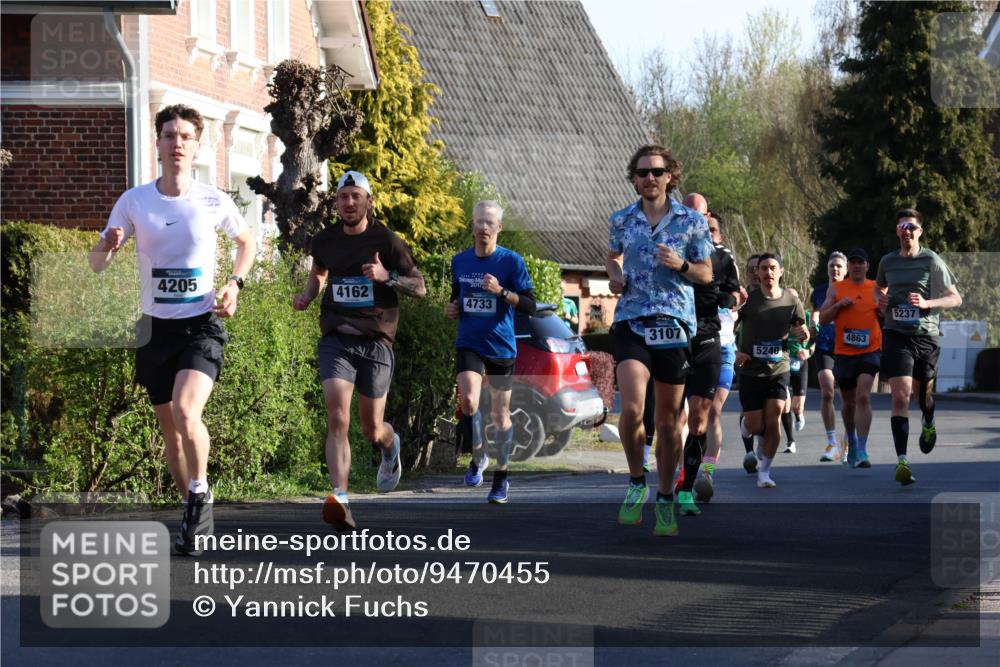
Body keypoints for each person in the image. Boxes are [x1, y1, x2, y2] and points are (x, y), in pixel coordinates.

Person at [90, 104, 257, 556]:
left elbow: (247, 242)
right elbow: (97, 265)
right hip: (154, 330)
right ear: (159, 144)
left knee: (187, 412)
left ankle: (200, 492)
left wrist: (235, 283)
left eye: (185, 135)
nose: (177, 143)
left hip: (201, 324)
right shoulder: (134, 201)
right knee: (171, 432)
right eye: (169, 135)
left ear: (197, 145)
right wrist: (107, 245)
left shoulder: (212, 199)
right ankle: (192, 509)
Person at [293, 170, 427, 531]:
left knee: (371, 428)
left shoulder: (387, 240)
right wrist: (309, 294)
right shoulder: (325, 241)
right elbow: (319, 272)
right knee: (338, 418)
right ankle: (341, 498)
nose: (349, 203)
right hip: (337, 338)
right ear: (336, 202)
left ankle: (389, 443)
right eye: (343, 197)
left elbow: (421, 287)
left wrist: (388, 278)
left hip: (376, 342)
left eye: (356, 196)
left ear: (368, 201)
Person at [607, 145, 713, 536]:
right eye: (642, 172)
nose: (649, 178)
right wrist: (614, 274)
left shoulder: (691, 222)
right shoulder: (621, 220)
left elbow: (705, 274)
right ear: (633, 179)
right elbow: (612, 256)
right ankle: (637, 481)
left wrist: (681, 265)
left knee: (669, 422)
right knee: (632, 409)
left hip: (674, 323)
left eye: (657, 171)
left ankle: (666, 495)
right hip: (632, 320)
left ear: (671, 176)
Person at [447, 200, 536, 503]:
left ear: (499, 228)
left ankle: (501, 478)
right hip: (469, 342)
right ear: (471, 226)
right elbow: (456, 297)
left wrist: (501, 292)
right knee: (469, 401)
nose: (483, 228)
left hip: (500, 345)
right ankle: (478, 456)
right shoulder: (459, 262)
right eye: (479, 222)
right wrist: (453, 307)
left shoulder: (511, 262)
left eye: (489, 223)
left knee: (499, 415)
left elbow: (530, 305)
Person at [875, 209, 961, 485]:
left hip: (926, 336)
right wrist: (881, 299)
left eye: (911, 227)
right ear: (897, 231)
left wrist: (927, 304)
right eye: (902, 226)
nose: (907, 231)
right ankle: (902, 461)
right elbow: (878, 289)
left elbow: (954, 298)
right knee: (900, 395)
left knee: (922, 397)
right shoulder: (887, 261)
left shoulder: (931, 259)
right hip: (896, 335)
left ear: (919, 231)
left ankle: (929, 421)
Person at [735, 253, 809, 488]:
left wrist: (804, 334)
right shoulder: (748, 301)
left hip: (779, 367)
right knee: (757, 425)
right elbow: (728, 327)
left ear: (781, 271)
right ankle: (746, 426)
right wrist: (735, 352)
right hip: (750, 370)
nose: (768, 272)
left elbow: (802, 328)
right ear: (758, 273)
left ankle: (764, 472)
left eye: (772, 268)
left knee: (775, 414)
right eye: (763, 268)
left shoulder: (791, 299)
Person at [691, 210, 742, 503]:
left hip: (721, 347)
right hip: (689, 344)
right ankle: (685, 468)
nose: (708, 233)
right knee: (688, 415)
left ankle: (706, 471)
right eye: (704, 228)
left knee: (714, 410)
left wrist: (729, 299)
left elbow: (737, 294)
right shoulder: (684, 257)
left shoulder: (725, 260)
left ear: (719, 234)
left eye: (712, 229)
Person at [819, 248, 882, 469]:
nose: (856, 266)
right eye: (853, 262)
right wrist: (837, 306)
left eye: (860, 262)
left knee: (863, 396)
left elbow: (886, 311)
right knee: (848, 402)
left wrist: (885, 309)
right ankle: (852, 442)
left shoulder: (875, 288)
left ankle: (863, 449)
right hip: (845, 353)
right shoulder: (836, 289)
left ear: (867, 266)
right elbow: (823, 319)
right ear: (850, 267)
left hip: (870, 350)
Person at [811, 252, 847, 462]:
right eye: (832, 266)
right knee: (827, 391)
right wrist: (814, 324)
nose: (835, 269)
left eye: (839, 266)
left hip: (847, 347)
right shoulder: (820, 291)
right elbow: (815, 311)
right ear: (827, 269)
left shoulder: (852, 290)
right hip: (825, 346)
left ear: (845, 270)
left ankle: (848, 442)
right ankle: (832, 442)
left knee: (848, 398)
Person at [781, 288, 812, 454]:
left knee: (797, 406)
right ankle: (790, 441)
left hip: (800, 362)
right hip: (783, 362)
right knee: (785, 400)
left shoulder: (805, 316)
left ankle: (799, 415)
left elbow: (815, 337)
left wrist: (809, 351)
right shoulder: (780, 317)